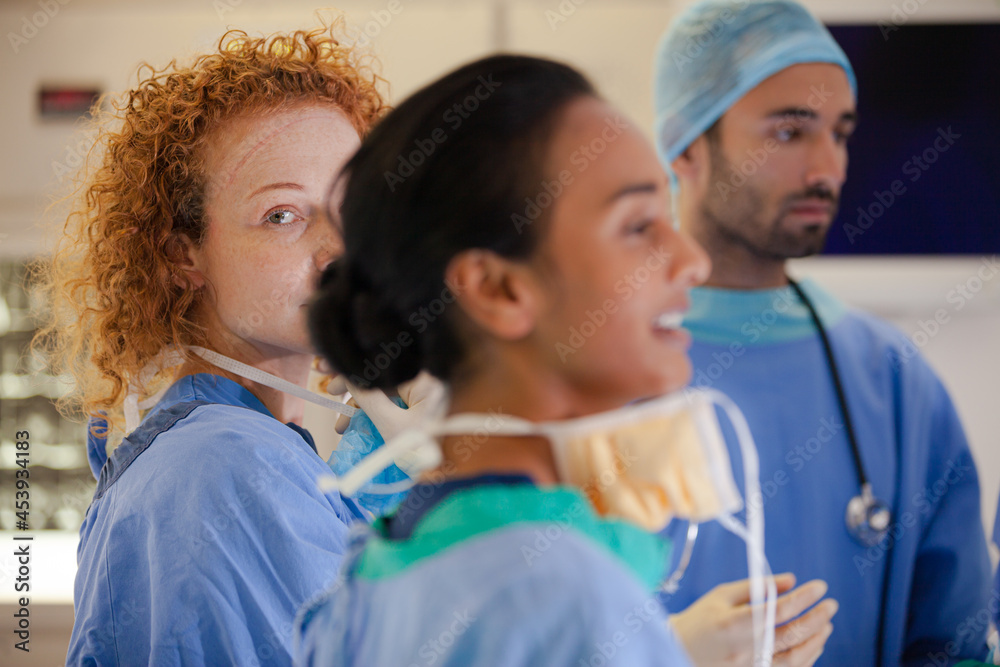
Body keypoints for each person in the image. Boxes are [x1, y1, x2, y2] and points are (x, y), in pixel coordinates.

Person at [296, 53, 835, 667]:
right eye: (637, 225)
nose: (692, 260)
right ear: (499, 290)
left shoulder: (376, 572)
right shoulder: (568, 596)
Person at [34, 22, 387, 666]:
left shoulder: (233, 451)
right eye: (283, 215)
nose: (339, 251)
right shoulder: (229, 466)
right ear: (182, 251)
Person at [652, 1, 991, 664]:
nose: (827, 169)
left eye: (839, 132)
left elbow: (953, 643)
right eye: (789, 132)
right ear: (686, 144)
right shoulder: (586, 363)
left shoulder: (891, 375)